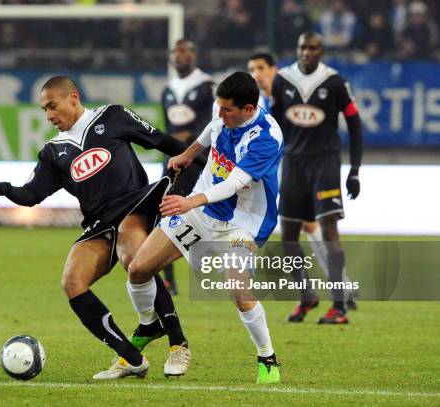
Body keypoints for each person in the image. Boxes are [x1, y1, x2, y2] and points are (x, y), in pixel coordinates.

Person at [0, 76, 191, 379]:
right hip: (98, 222)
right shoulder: (54, 153)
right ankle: (131, 358)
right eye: (43, 110)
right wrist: (6, 189)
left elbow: (164, 142)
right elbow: (32, 195)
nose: (49, 115)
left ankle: (178, 343)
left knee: (133, 257)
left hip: (133, 205)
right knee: (72, 281)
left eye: (52, 106)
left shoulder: (113, 116)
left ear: (74, 97)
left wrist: (196, 172)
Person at [126, 71, 283, 384]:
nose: (220, 114)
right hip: (203, 211)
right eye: (219, 107)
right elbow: (213, 128)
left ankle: (267, 356)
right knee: (138, 268)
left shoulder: (267, 138)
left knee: (237, 285)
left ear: (248, 110)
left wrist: (189, 201)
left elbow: (236, 182)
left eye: (227, 110)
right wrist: (187, 153)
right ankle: (149, 324)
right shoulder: (222, 113)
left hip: (242, 223)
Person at [248, 52, 357, 312]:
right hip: (277, 168)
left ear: (274, 69)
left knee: (308, 226)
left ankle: (337, 287)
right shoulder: (258, 101)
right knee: (301, 229)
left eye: (261, 68)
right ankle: (331, 288)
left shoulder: (288, 90)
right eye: (252, 69)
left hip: (302, 165)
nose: (256, 74)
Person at [271, 32, 363, 324]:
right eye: (302, 47)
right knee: (287, 238)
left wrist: (355, 171)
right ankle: (307, 295)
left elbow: (355, 124)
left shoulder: (335, 82)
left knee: (329, 230)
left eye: (312, 48)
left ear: (321, 51)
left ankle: (339, 306)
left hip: (324, 162)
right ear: (297, 50)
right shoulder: (282, 80)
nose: (307, 52)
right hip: (293, 163)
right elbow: (274, 125)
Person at [159, 38, 215, 295]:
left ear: (194, 55)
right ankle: (168, 279)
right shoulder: (168, 90)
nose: (178, 55)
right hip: (173, 161)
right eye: (175, 51)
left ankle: (211, 268)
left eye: (183, 51)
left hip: (198, 161)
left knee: (193, 214)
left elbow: (210, 127)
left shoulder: (207, 87)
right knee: (165, 212)